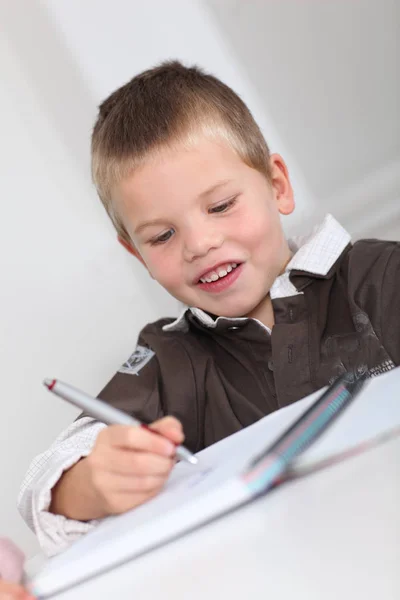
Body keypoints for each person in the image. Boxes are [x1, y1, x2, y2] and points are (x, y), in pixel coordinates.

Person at [18, 61, 400, 556]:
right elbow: (50, 476)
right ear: (137, 254)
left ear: (277, 186)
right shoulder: (169, 359)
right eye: (162, 235)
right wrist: (90, 482)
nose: (200, 243)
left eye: (220, 206)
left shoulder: (381, 277)